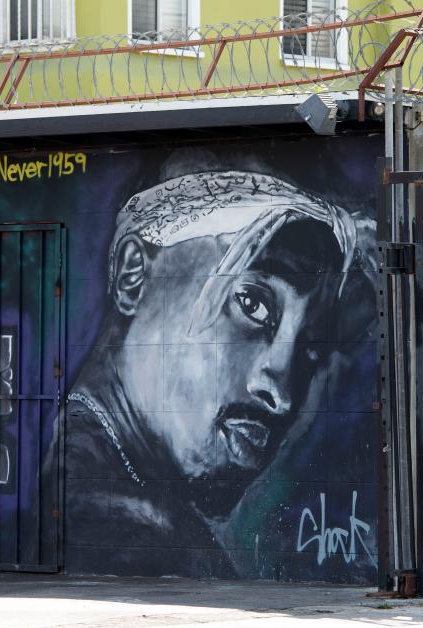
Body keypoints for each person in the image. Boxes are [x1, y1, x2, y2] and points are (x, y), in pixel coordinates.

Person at [60, 170, 374, 576]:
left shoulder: (151, 517)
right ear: (132, 276)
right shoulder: (131, 536)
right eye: (252, 303)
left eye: (310, 348)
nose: (282, 393)